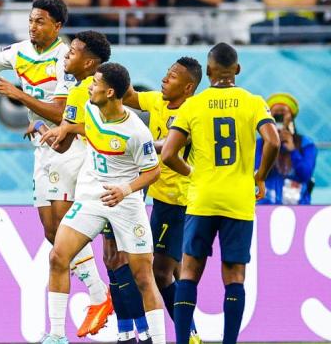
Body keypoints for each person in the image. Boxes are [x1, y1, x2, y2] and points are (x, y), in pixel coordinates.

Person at [0, 0, 112, 337]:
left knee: (63, 228)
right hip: (42, 147)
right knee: (50, 231)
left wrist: (20, 96)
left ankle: (98, 296)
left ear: (56, 26)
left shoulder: (66, 59)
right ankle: (97, 295)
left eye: (40, 21)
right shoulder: (18, 52)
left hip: (67, 146)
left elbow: (62, 112)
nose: (33, 26)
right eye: (31, 20)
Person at [161, 42, 280, 344]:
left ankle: (182, 341)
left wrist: (193, 174)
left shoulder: (193, 105)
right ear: (237, 70)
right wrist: (260, 176)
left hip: (202, 198)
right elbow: (273, 141)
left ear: (209, 70)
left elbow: (169, 155)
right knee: (234, 275)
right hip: (238, 199)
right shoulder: (253, 102)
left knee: (189, 271)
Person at [40, 62, 167, 344]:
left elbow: (153, 171)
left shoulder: (136, 132)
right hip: (92, 196)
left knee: (143, 277)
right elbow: (92, 129)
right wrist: (67, 128)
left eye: (95, 83)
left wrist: (126, 189)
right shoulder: (90, 107)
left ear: (110, 92)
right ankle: (57, 335)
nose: (89, 86)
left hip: (126, 202)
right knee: (58, 256)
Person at [122, 57, 203, 342]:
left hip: (178, 202)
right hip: (159, 198)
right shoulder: (157, 100)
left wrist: (132, 144)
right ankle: (191, 333)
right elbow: (128, 95)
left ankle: (187, 335)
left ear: (188, 86)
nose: (165, 79)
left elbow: (167, 148)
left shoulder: (193, 113)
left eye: (173, 77)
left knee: (161, 273)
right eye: (166, 74)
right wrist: (102, 73)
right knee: (177, 271)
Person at [255, 93, 317, 204]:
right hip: (264, 207)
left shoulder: (306, 144)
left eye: (283, 114)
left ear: (291, 117)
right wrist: (272, 146)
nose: (279, 117)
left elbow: (306, 175)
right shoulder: (259, 144)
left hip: (297, 208)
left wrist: (293, 150)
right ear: (269, 117)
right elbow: (256, 174)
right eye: (276, 114)